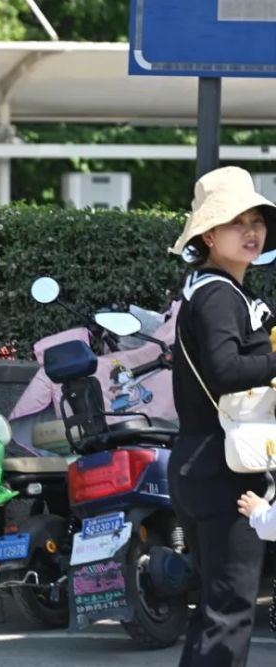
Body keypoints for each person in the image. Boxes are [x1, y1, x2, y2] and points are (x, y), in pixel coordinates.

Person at [169, 165, 276, 667]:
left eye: (257, 220)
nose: (252, 231)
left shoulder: (212, 288)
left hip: (204, 461)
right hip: (224, 467)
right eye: (237, 222)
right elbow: (225, 370)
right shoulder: (217, 293)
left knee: (216, 610)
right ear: (209, 234)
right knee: (229, 611)